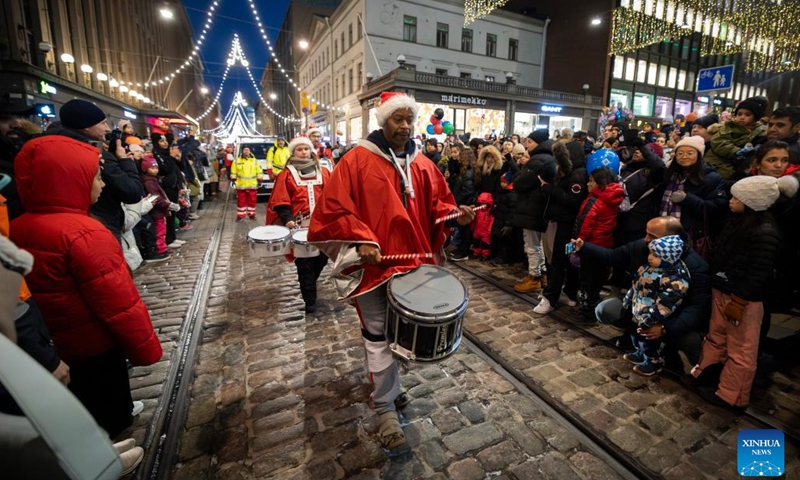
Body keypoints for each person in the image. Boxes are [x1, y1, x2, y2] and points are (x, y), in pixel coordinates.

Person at [307, 91, 473, 452]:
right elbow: (334, 209)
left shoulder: (423, 164)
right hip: (373, 268)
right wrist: (361, 239)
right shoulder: (356, 161)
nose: (405, 126)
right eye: (398, 119)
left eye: (409, 119)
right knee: (378, 336)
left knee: (402, 336)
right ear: (383, 121)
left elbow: (437, 205)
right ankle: (384, 409)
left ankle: (388, 388)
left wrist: (454, 216)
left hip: (413, 266)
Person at [10, 136, 162, 437]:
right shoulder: (87, 233)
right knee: (111, 415)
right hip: (94, 343)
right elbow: (118, 303)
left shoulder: (15, 226)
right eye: (96, 177)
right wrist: (145, 350)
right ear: (71, 181)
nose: (102, 184)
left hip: (52, 344)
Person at [690, 175, 792, 408]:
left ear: (751, 202)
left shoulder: (765, 231)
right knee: (716, 336)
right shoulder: (736, 221)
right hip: (722, 288)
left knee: (741, 349)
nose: (731, 201)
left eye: (737, 198)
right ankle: (707, 375)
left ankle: (731, 395)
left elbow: (758, 272)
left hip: (742, 298)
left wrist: (739, 299)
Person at [45, 99, 143, 241]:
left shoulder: (51, 146)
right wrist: (124, 160)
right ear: (85, 126)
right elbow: (132, 192)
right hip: (100, 223)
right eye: (103, 123)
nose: (107, 129)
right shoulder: (92, 152)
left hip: (61, 224)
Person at [266, 136, 331, 313]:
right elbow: (280, 200)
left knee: (321, 259)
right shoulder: (286, 174)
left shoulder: (324, 172)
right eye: (300, 149)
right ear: (293, 152)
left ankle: (310, 283)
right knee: (304, 264)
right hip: (299, 226)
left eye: (306, 149)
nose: (304, 152)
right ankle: (309, 300)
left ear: (311, 151)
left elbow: (333, 196)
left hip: (322, 225)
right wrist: (287, 218)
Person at [621, 235, 690, 376]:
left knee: (648, 342)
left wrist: (651, 317)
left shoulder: (675, 279)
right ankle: (639, 353)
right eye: (650, 253)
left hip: (652, 316)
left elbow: (667, 303)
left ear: (669, 258)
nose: (650, 257)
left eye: (656, 255)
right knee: (635, 336)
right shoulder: (648, 268)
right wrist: (628, 298)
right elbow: (636, 285)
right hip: (638, 310)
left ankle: (653, 361)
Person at [534, 141, 588, 314]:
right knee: (564, 259)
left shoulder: (578, 175)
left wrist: (548, 188)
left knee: (559, 260)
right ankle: (568, 293)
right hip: (564, 223)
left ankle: (551, 297)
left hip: (567, 225)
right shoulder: (573, 172)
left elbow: (572, 200)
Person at [656, 135, 727, 255]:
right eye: (680, 153)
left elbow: (718, 206)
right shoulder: (670, 174)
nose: (684, 156)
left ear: (699, 155)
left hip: (690, 233)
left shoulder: (711, 177)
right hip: (663, 229)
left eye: (690, 153)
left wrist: (687, 199)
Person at [570, 161, 624, 315]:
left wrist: (576, 245)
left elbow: (585, 224)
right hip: (604, 245)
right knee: (597, 279)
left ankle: (587, 310)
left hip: (589, 244)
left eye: (591, 181)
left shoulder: (594, 200)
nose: (588, 184)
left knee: (587, 279)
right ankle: (593, 303)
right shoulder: (612, 197)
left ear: (601, 183)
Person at [513, 129, 556, 293]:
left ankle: (534, 277)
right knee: (538, 244)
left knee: (531, 244)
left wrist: (519, 175)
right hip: (538, 206)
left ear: (538, 143)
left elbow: (520, 183)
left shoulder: (538, 160)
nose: (527, 145)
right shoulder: (548, 158)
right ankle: (542, 273)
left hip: (532, 207)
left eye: (530, 142)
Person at [703, 96, 769, 180]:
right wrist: (736, 151)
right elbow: (718, 141)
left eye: (747, 114)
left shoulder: (759, 132)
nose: (742, 117)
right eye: (739, 114)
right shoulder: (729, 126)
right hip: (716, 160)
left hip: (730, 163)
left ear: (755, 117)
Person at [140, 155, 177, 260]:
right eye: (152, 168)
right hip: (157, 211)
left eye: (156, 167)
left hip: (159, 210)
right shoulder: (149, 182)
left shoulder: (154, 179)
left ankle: (162, 247)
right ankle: (160, 249)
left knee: (162, 229)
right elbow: (155, 197)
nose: (155, 170)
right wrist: (167, 204)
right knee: (160, 230)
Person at [230, 146, 262, 222]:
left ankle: (252, 215)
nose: (246, 151)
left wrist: (260, 180)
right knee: (241, 201)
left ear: (250, 151)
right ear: (242, 151)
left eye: (248, 150)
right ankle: (240, 216)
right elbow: (233, 171)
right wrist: (233, 180)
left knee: (252, 201)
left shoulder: (255, 161)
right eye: (245, 150)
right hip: (241, 185)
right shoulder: (236, 161)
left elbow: (259, 171)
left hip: (252, 185)